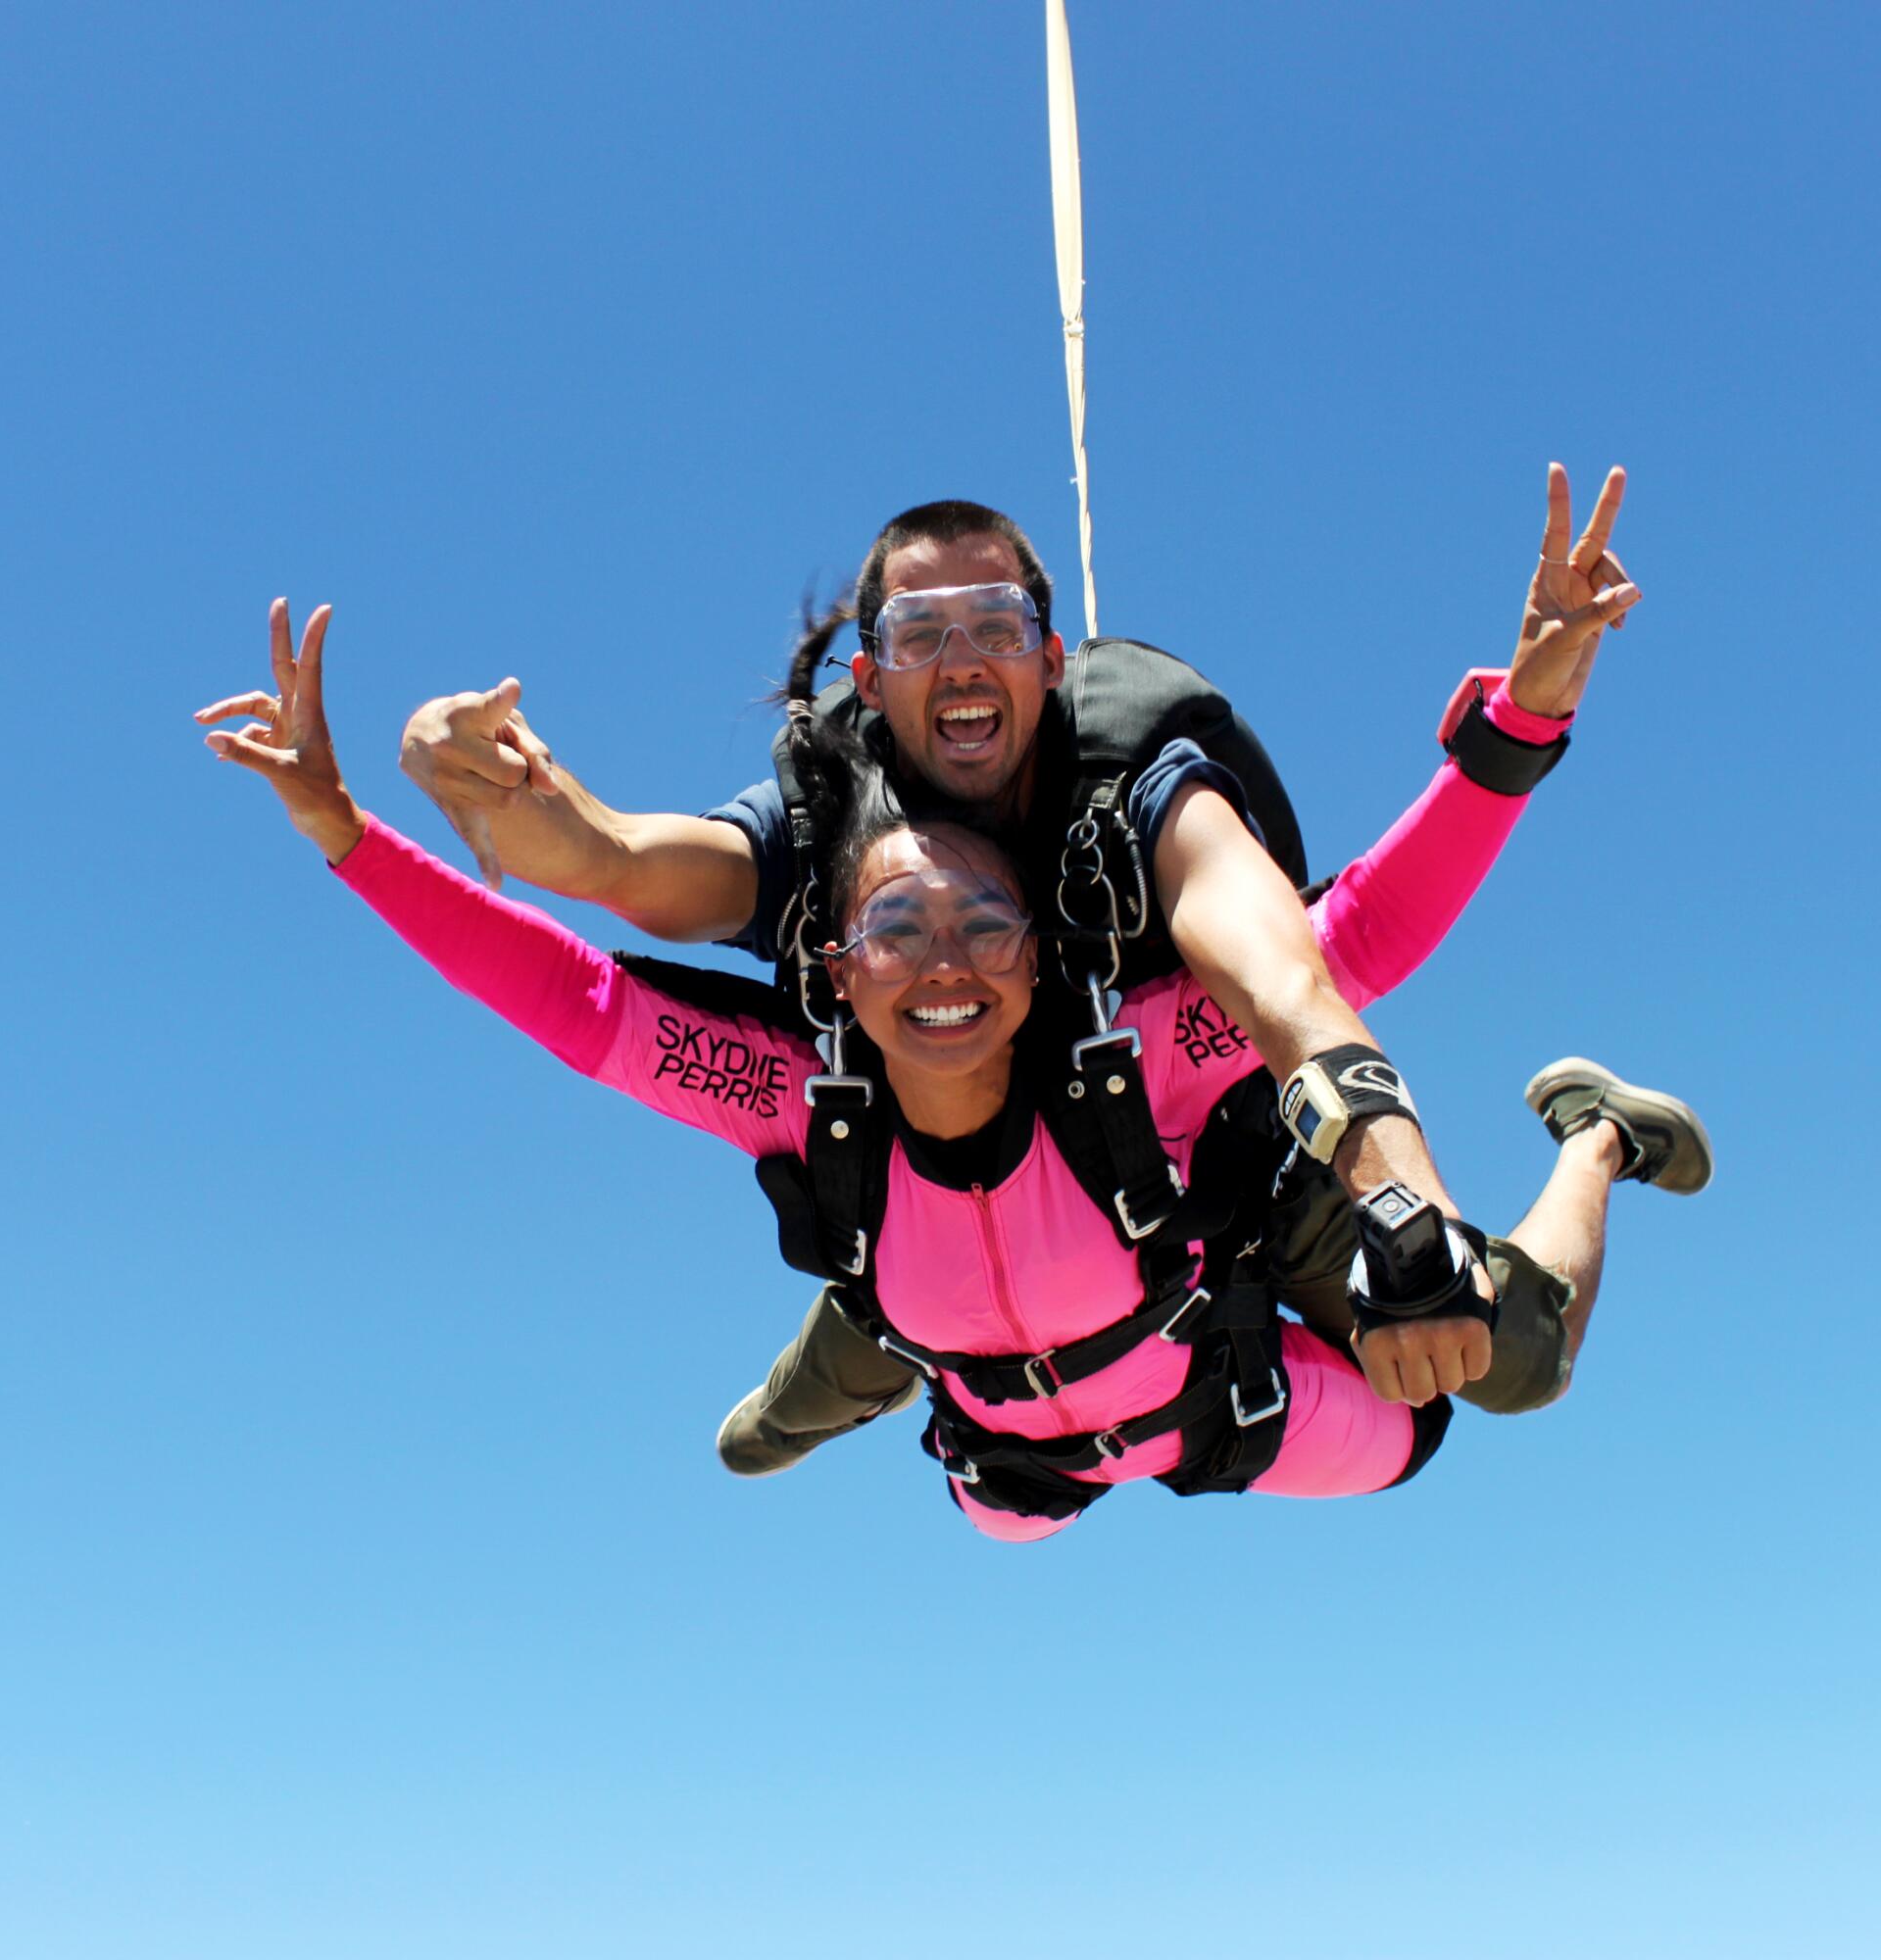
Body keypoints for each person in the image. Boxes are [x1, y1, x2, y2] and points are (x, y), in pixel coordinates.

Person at [193, 601, 1707, 1540]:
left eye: (988, 923)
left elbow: (1358, 932)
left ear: (1043, 961)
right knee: (890, 1423)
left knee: (1505, 1381)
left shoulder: (1130, 1064)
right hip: (1006, 1438)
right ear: (837, 967)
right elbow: (568, 989)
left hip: (1200, 1408)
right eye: (895, 927)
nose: (945, 958)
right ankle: (849, 1369)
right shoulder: (797, 1088)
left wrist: (1522, 719)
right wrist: (344, 834)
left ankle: (1594, 1143)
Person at [390, 468, 1646, 1469]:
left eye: (998, 623)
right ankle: (878, 1339)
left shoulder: (1139, 794)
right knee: (862, 1336)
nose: (963, 657)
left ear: (1050, 658)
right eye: (919, 631)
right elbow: (624, 866)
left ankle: (1595, 1137)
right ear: (870, 677)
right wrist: (515, 807)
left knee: (1515, 1362)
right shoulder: (830, 820)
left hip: (1210, 1150)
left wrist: (1402, 1212)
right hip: (935, 1176)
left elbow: (1298, 982)